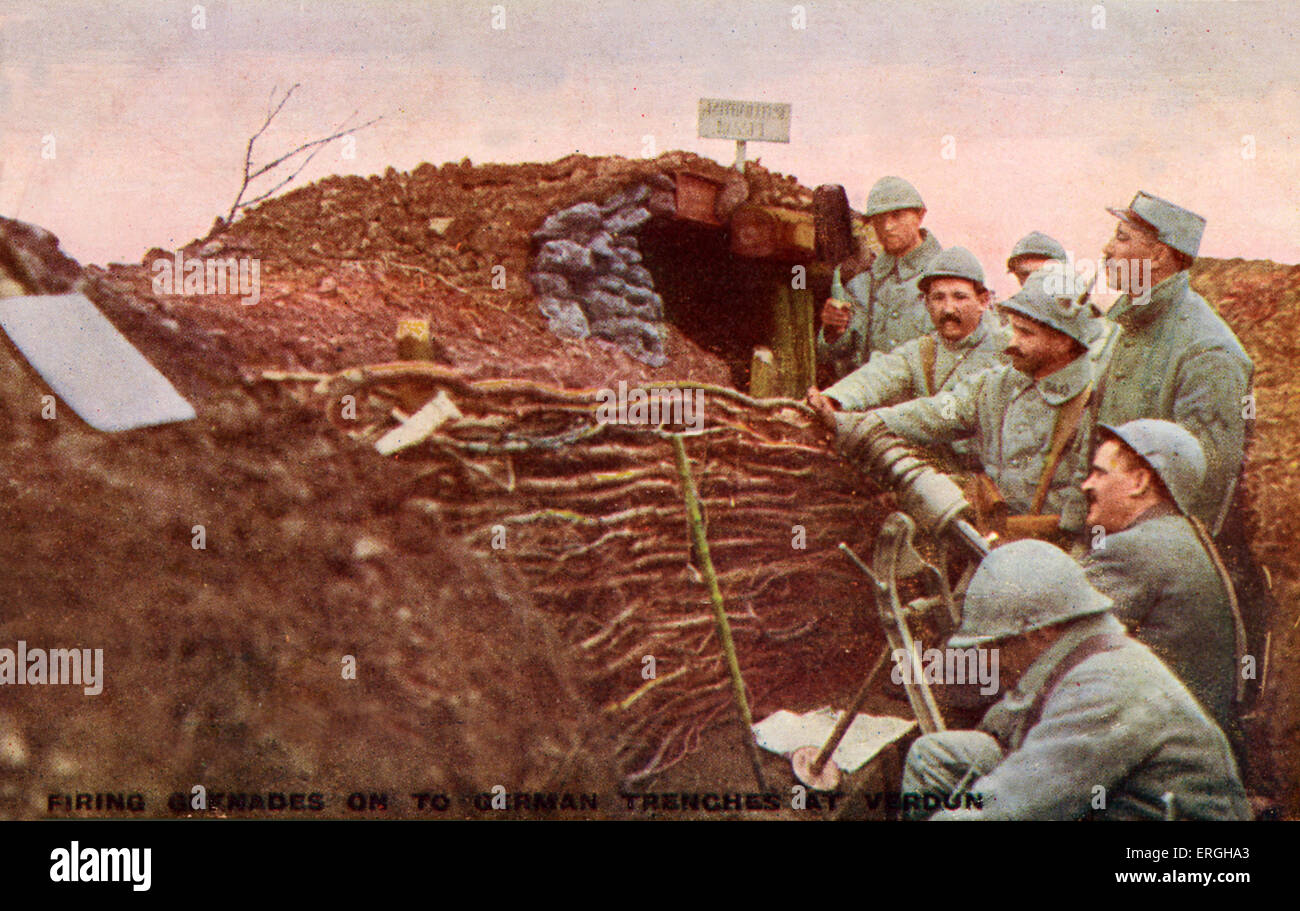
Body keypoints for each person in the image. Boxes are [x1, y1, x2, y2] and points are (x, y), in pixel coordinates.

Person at [900, 540, 1252, 821]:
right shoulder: (1088, 658)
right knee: (936, 756)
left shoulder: (1107, 687)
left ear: (1043, 631)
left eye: (999, 644)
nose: (992, 660)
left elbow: (1013, 809)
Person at [837, 268, 1098, 542]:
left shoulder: (1092, 402)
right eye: (1013, 329)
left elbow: (1086, 520)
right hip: (985, 540)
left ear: (1064, 341)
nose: (1012, 342)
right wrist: (854, 424)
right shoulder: (998, 384)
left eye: (1026, 333)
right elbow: (935, 413)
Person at [1093, 191, 1251, 535]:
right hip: (1112, 534)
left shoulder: (1208, 351)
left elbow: (1203, 489)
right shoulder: (1129, 327)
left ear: (1157, 255)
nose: (1107, 249)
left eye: (1122, 238)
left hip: (1158, 551)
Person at [1079, 419, 1244, 733]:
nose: (1087, 485)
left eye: (1101, 473)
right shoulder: (1180, 534)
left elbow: (1060, 637)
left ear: (1139, 482)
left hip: (1162, 749)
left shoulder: (1133, 549)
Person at [807, 246, 1006, 417]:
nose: (948, 309)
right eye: (938, 298)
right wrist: (833, 399)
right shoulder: (923, 351)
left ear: (983, 301)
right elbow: (880, 374)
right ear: (926, 303)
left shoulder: (1007, 351)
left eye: (959, 297)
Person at [816, 176, 942, 380]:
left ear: (920, 215)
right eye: (879, 219)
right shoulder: (862, 285)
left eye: (897, 215)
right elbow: (831, 356)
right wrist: (834, 331)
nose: (887, 227)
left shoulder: (948, 275)